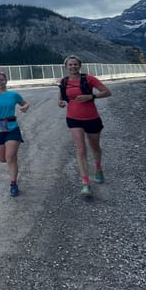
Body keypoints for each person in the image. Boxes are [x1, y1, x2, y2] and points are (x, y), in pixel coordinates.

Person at [57, 55, 111, 197]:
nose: (73, 67)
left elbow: (107, 92)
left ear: (79, 66)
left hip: (92, 118)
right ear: (66, 67)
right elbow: (61, 96)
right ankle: (85, 183)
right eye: (70, 65)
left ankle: (98, 168)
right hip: (73, 119)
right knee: (81, 149)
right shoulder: (63, 81)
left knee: (95, 147)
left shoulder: (88, 79)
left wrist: (91, 97)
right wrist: (60, 102)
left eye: (75, 64)